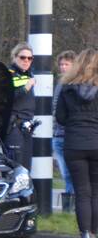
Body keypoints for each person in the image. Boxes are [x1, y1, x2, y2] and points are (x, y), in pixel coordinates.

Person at [55, 48, 98, 238]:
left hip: (74, 144)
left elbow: (60, 118)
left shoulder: (67, 89)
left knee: (82, 193)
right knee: (96, 193)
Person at [5, 42, 36, 170]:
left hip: (26, 126)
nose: (26, 61)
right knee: (15, 166)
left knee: (26, 167)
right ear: (14, 57)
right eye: (23, 57)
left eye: (30, 58)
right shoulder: (8, 74)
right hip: (13, 126)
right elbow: (6, 98)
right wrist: (25, 88)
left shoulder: (29, 75)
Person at [53, 50, 77, 211]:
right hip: (59, 134)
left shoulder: (75, 85)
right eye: (61, 64)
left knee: (71, 173)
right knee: (67, 174)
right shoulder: (60, 84)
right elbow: (55, 108)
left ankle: (70, 209)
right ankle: (68, 210)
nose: (63, 67)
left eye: (66, 64)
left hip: (71, 135)